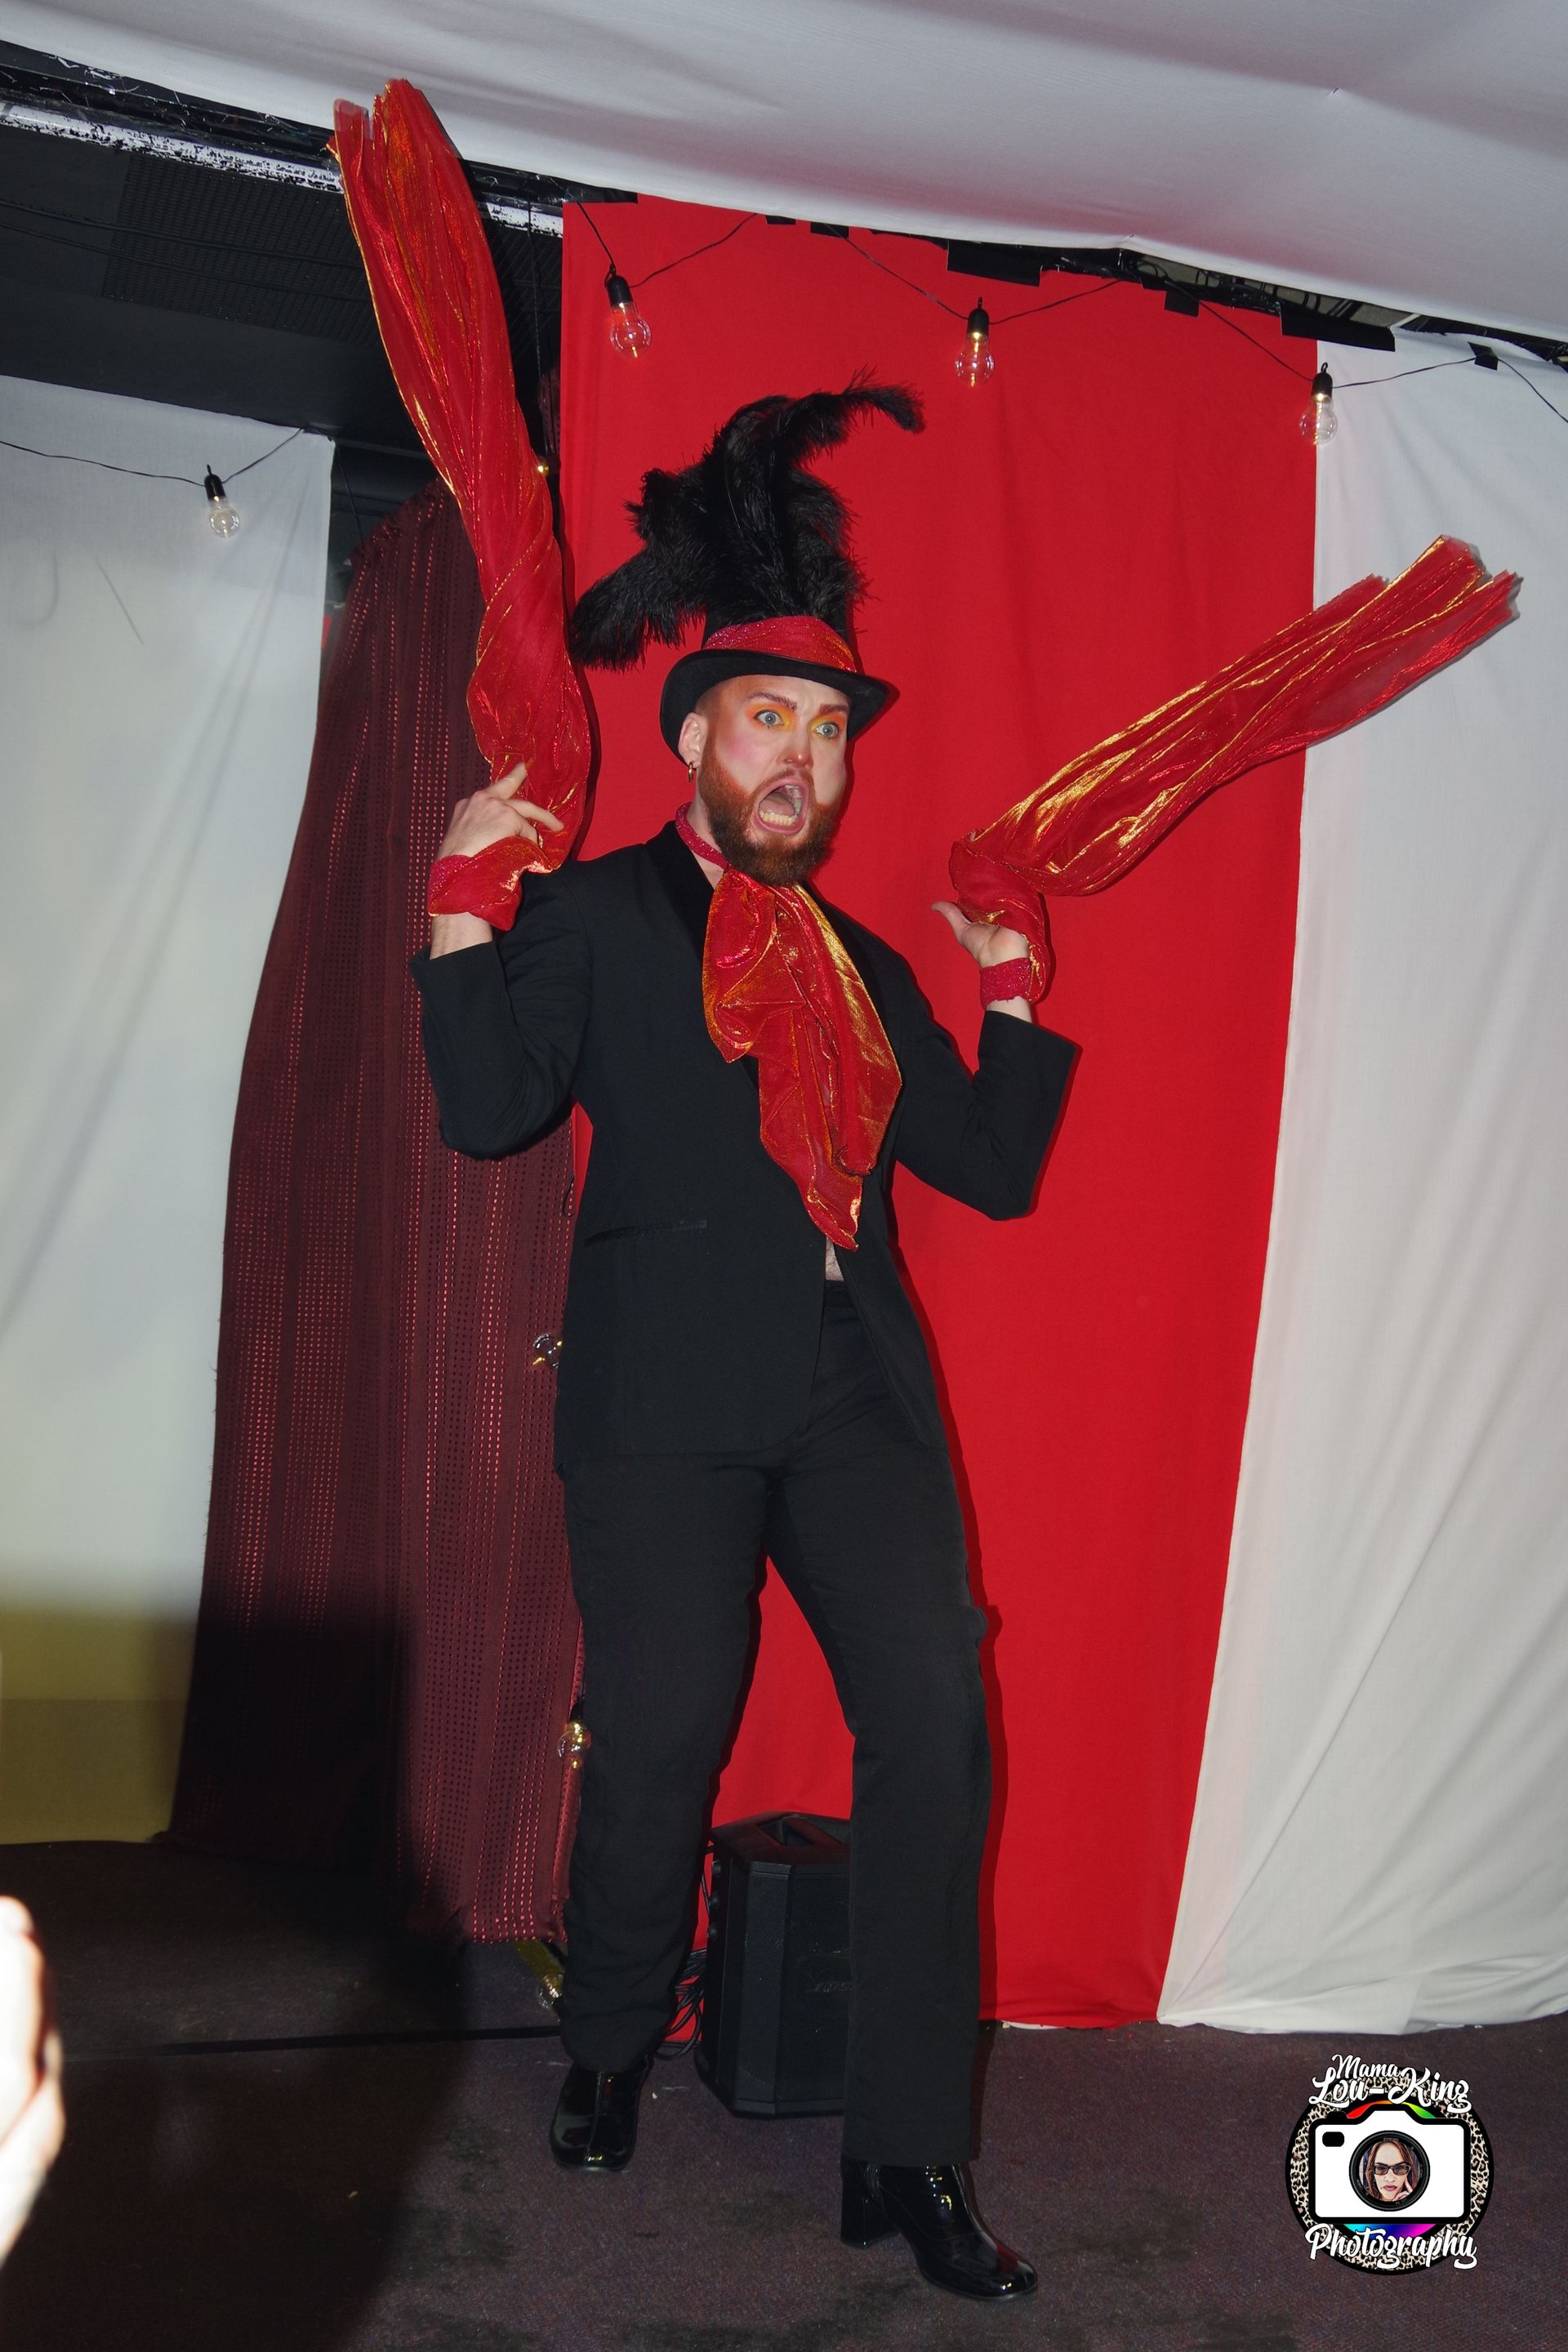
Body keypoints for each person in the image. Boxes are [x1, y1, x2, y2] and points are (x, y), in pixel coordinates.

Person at [411, 386, 1076, 2303]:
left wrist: (1010, 983)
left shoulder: (861, 968)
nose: (804, 759)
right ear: (694, 736)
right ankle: (614, 2039)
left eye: (828, 733)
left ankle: (911, 2152)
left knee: (935, 1718)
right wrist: (463, 907)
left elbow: (990, 1167)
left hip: (855, 1386)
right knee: (665, 1733)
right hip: (662, 1403)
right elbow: (489, 1111)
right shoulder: (597, 915)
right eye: (770, 720)